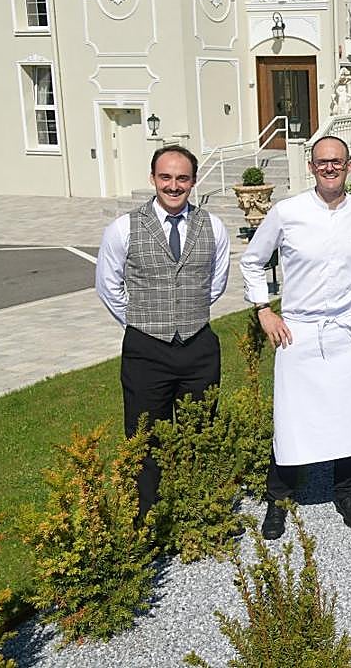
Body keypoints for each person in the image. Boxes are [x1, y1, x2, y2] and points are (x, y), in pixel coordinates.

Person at [240, 136, 351, 540]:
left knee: (350, 417)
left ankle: (346, 493)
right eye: (322, 163)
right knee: (292, 419)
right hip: (298, 330)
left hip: (348, 327)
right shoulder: (287, 212)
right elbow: (252, 261)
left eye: (337, 162)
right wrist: (264, 310)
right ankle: (278, 500)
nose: (330, 168)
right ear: (312, 168)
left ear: (349, 165)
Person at [95, 144, 230, 518]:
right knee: (145, 435)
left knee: (199, 430)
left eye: (182, 178)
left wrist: (186, 314)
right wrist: (142, 322)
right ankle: (149, 516)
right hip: (146, 349)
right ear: (153, 179)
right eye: (166, 177)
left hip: (198, 345)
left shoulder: (213, 226)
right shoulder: (124, 228)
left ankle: (200, 510)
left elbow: (214, 284)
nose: (174, 185)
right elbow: (109, 286)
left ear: (194, 181)